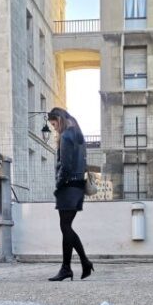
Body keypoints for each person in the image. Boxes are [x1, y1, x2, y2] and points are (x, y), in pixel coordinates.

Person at [47, 107, 94, 282]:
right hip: (78, 186)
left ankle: (69, 267)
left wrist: (58, 185)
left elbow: (65, 167)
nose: (54, 129)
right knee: (66, 227)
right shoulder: (78, 136)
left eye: (54, 125)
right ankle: (81, 263)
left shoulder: (66, 136)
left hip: (68, 186)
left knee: (65, 227)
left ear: (59, 120)